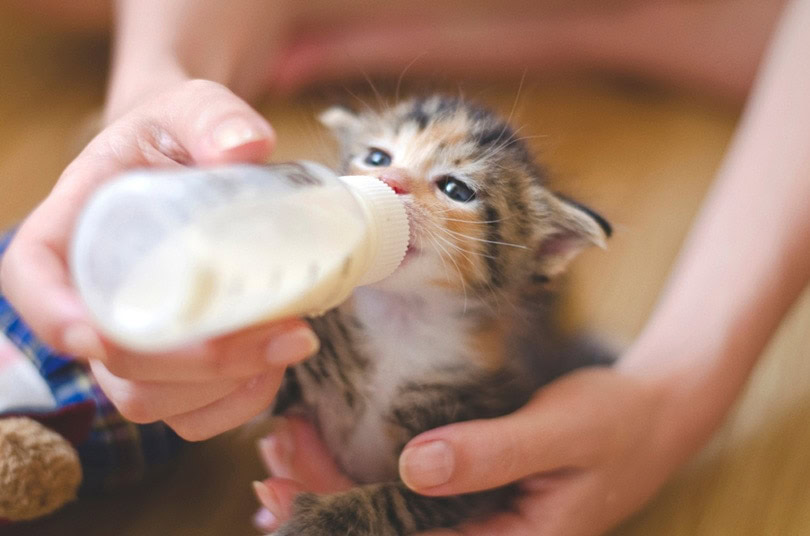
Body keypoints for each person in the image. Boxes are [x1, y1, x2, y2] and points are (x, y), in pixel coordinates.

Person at [1, 1, 808, 534]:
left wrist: (673, 391)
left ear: (538, 254)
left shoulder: (484, 372)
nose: (390, 183)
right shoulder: (322, 299)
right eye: (379, 156)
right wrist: (151, 91)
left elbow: (460, 490)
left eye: (453, 187)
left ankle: (604, 22)